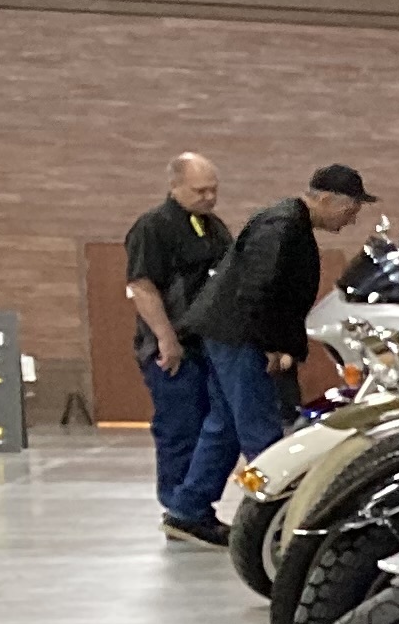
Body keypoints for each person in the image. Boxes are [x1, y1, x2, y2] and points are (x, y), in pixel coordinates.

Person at [180, 164, 372, 471]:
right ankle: (273, 498)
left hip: (230, 334)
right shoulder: (281, 225)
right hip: (240, 336)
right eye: (350, 211)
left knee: (224, 428)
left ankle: (191, 502)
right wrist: (270, 345)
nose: (351, 220)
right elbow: (256, 288)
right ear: (325, 200)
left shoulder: (291, 223)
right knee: (261, 432)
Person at [123, 151, 230, 541]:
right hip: (173, 348)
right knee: (180, 427)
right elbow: (143, 287)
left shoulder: (214, 227)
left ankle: (195, 504)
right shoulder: (153, 227)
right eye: (199, 190)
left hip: (209, 346)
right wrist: (166, 339)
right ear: (175, 186)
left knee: (214, 427)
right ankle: (180, 509)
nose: (208, 197)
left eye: (213, 190)